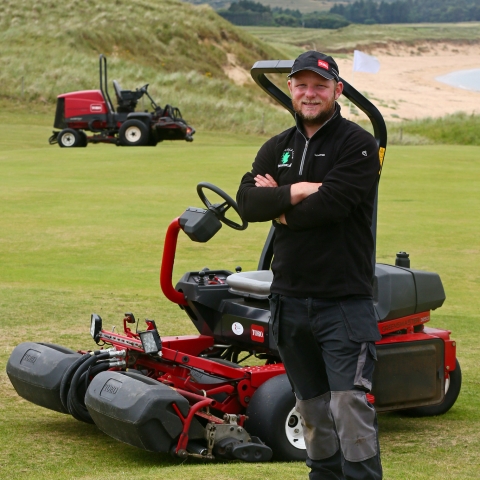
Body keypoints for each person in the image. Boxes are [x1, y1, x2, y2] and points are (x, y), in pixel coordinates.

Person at [236, 51, 383, 480]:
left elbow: (334, 206)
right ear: (291, 90)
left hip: (343, 302)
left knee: (348, 406)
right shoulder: (277, 146)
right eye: (301, 85)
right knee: (312, 407)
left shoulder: (358, 144)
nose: (309, 93)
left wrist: (278, 202)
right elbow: (247, 202)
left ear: (337, 90)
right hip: (290, 300)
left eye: (319, 85)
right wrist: (298, 189)